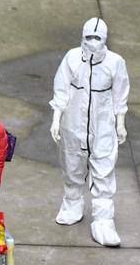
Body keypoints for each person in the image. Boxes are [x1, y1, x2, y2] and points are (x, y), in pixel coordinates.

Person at [50, 17, 130, 247]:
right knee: (72, 163)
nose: (93, 42)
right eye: (89, 37)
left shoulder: (115, 62)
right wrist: (56, 119)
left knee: (104, 168)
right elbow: (61, 89)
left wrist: (120, 123)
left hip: (102, 124)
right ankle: (72, 203)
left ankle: (103, 220)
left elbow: (120, 94)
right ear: (82, 37)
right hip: (73, 123)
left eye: (97, 38)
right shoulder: (72, 58)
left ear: (104, 39)